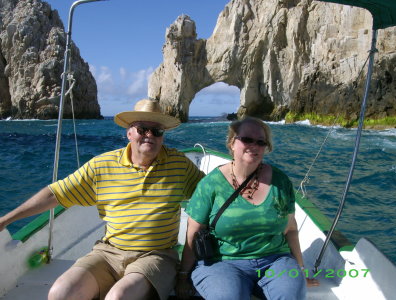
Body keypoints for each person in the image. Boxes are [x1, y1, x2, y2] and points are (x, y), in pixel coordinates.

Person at [0, 98, 204, 300]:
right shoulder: (102, 165)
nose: (150, 135)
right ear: (129, 133)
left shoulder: (179, 165)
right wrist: (6, 220)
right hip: (108, 252)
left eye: (157, 131)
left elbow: (210, 194)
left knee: (119, 296)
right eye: (142, 129)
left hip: (157, 255)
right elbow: (56, 193)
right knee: (61, 292)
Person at [176, 117, 318, 300]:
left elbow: (290, 229)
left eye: (261, 142)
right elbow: (193, 232)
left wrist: (300, 271)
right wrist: (182, 275)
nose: (254, 145)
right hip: (222, 262)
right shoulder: (211, 184)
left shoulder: (280, 181)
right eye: (247, 139)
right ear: (232, 143)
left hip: (275, 260)